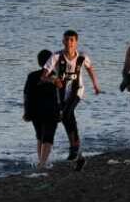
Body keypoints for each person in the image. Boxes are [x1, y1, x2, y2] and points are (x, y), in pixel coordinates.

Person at [42, 30, 102, 168]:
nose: (69, 43)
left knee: (67, 113)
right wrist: (53, 79)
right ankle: (74, 148)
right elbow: (43, 76)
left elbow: (90, 69)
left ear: (76, 42)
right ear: (63, 41)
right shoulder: (56, 57)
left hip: (77, 91)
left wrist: (95, 85)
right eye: (67, 40)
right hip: (62, 93)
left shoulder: (82, 57)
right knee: (67, 117)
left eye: (72, 40)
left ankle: (75, 148)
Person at [22, 49, 59, 169]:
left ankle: (40, 161)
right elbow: (61, 97)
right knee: (48, 136)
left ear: (39, 62)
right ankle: (42, 163)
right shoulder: (55, 77)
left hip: (35, 111)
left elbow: (27, 95)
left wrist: (26, 112)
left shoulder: (32, 76)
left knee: (39, 136)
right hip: (51, 111)